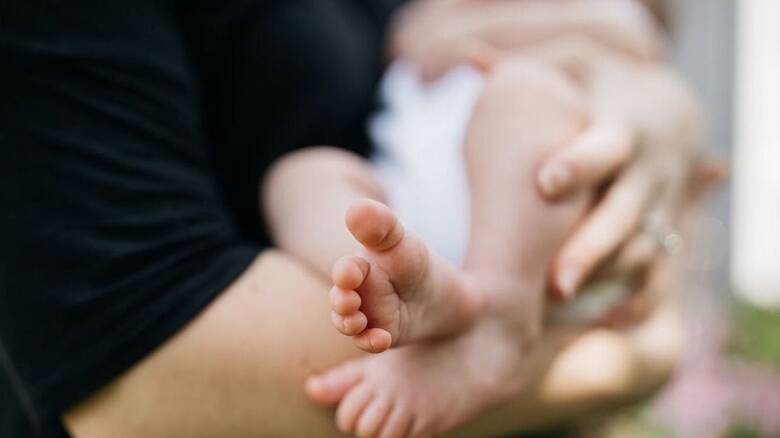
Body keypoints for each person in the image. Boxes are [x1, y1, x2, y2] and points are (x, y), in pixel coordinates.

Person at [0, 1, 708, 437]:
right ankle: (398, 287)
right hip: (412, 196)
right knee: (303, 174)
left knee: (527, 97)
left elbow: (633, 48)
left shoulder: (600, 20)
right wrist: (642, 353)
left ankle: (496, 316)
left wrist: (668, 109)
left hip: (529, 214)